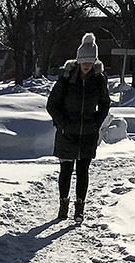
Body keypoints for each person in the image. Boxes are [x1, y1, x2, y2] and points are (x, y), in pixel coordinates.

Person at [46, 32, 111, 224]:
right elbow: (52, 104)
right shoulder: (66, 79)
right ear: (78, 60)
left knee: (83, 172)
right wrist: (63, 124)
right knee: (66, 171)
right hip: (67, 134)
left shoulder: (99, 80)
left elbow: (104, 104)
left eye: (90, 61)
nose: (87, 65)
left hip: (88, 134)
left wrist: (96, 123)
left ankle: (79, 208)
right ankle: (63, 204)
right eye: (84, 61)